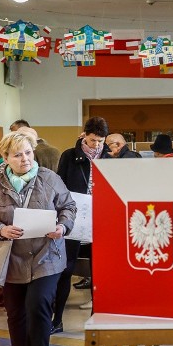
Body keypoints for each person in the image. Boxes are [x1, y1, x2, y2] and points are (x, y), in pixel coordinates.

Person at [0, 131, 76, 346]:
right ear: (6, 157)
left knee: (38, 306)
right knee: (16, 314)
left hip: (46, 257)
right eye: (18, 155)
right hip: (11, 259)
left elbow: (69, 206)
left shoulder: (50, 178)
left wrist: (62, 226)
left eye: (29, 153)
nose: (26, 159)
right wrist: (0, 229)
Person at [56, 116, 112, 316]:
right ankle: (57, 318)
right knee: (66, 268)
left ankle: (97, 314)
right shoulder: (70, 156)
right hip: (75, 214)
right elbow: (59, 186)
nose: (96, 145)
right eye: (92, 140)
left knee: (101, 270)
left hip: (101, 217)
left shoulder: (109, 157)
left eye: (100, 141)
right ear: (84, 136)